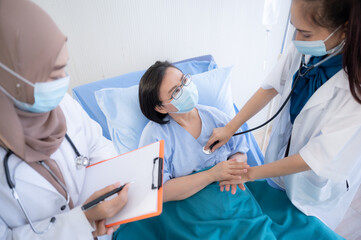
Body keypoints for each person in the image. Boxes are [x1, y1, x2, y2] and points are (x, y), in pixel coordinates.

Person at [205, 0, 361, 229]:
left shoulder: (355, 90)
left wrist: (250, 173)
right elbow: (270, 87)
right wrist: (231, 127)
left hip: (316, 186)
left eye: (305, 34)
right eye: (293, 27)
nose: (296, 40)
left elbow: (313, 158)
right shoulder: (305, 46)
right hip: (283, 163)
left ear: (345, 28)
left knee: (306, 228)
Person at [0, 0, 129, 239]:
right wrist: (82, 221)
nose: (64, 80)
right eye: (52, 72)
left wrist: (106, 199)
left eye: (64, 67)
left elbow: (96, 143)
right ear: (9, 80)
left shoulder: (61, 104)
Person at [138, 61, 250, 201]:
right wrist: (211, 175)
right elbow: (159, 192)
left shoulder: (215, 116)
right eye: (176, 91)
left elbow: (240, 150)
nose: (185, 89)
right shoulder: (154, 136)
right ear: (161, 107)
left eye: (184, 80)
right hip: (186, 210)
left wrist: (233, 169)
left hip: (228, 196)